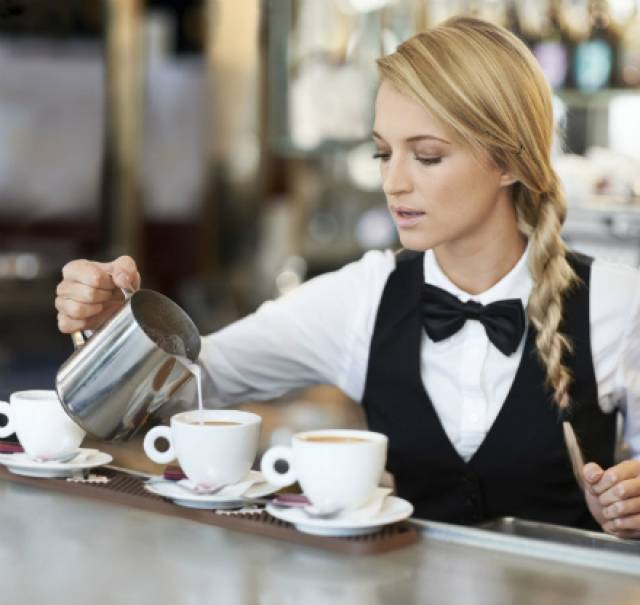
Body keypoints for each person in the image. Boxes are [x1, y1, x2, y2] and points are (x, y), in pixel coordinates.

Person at [55, 17, 640, 538]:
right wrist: (113, 331)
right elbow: (190, 383)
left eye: (427, 156)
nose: (394, 182)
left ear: (509, 160)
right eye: (384, 153)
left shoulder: (617, 303)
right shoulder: (361, 297)